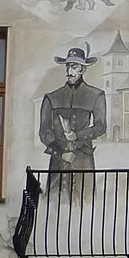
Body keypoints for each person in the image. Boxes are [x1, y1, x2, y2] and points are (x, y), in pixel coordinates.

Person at [39, 45, 107, 178]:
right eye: (67, 66)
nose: (69, 71)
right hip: (58, 163)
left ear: (83, 69)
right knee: (55, 198)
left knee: (87, 197)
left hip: (84, 162)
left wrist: (77, 135)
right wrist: (61, 154)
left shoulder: (96, 95)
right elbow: (44, 131)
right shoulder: (51, 98)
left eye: (74, 67)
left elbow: (101, 127)